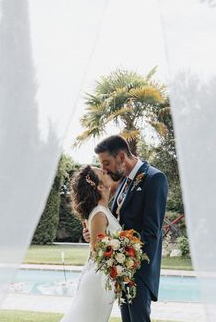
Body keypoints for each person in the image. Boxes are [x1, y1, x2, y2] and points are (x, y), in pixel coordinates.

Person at [86, 134, 168, 322]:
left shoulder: (154, 178)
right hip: (121, 271)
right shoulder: (122, 180)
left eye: (106, 163)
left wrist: (130, 266)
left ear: (121, 157)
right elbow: (118, 222)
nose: (104, 169)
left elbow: (152, 231)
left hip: (137, 271)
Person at [60, 164, 121, 322]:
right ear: (100, 186)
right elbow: (97, 252)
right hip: (98, 281)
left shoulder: (103, 209)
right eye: (102, 172)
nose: (105, 170)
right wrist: (124, 255)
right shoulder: (99, 213)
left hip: (102, 279)